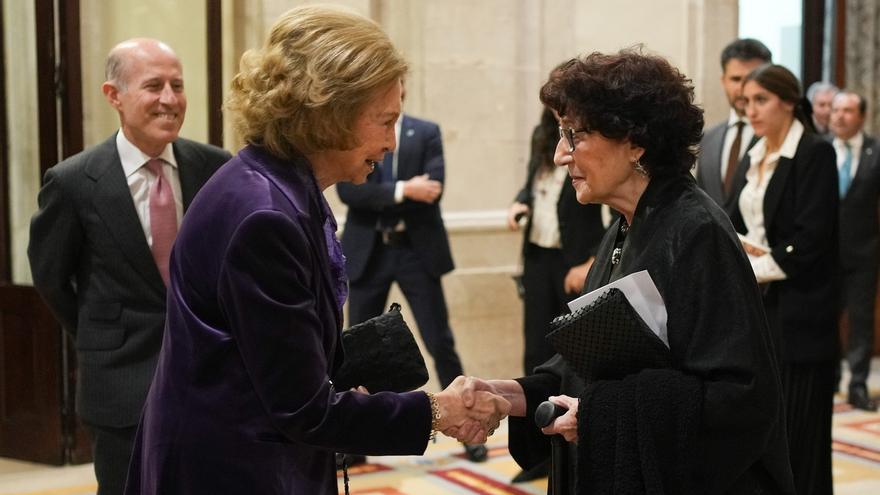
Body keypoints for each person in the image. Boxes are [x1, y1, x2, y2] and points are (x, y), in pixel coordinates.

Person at [122, 7, 509, 495]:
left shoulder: (276, 185)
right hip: (233, 469)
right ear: (329, 114)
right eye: (384, 121)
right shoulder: (265, 216)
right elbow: (301, 409)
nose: (391, 142)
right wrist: (438, 411)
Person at [462, 49, 795, 494]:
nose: (561, 155)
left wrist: (600, 415)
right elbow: (595, 361)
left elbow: (740, 396)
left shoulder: (695, 232)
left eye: (573, 135)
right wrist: (513, 396)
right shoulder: (629, 223)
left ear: (635, 141)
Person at [27, 38, 230, 495]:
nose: (170, 99)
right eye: (153, 86)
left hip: (211, 380)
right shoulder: (74, 181)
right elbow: (52, 278)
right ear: (113, 95)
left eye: (177, 85)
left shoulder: (216, 167)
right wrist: (102, 332)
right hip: (120, 383)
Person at [337, 92, 488, 462]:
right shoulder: (357, 129)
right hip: (369, 251)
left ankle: (470, 429)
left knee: (440, 340)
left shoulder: (425, 132)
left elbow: (433, 188)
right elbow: (350, 191)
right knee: (355, 349)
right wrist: (406, 189)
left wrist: (383, 193)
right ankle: (352, 440)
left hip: (415, 251)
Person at [732, 64, 838, 495]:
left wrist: (752, 264)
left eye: (761, 100)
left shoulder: (814, 153)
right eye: (746, 102)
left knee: (801, 437)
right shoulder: (755, 153)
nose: (751, 110)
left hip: (801, 312)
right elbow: (736, 222)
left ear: (789, 102)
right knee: (767, 433)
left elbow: (812, 239)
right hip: (759, 306)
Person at [507, 106, 605, 377]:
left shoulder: (588, 139)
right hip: (537, 253)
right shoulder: (541, 135)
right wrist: (519, 203)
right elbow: (532, 186)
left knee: (573, 343)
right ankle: (533, 411)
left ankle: (569, 411)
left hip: (573, 257)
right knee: (535, 342)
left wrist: (592, 261)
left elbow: (614, 208)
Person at [830, 91, 879, 411]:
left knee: (860, 321)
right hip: (824, 253)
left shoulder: (876, 151)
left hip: (864, 252)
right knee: (825, 317)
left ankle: (858, 384)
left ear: (861, 116)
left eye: (848, 111)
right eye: (836, 110)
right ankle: (830, 377)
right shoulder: (818, 149)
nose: (840, 116)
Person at [696, 38, 771, 217]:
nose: (743, 88)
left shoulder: (777, 138)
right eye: (736, 79)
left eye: (752, 78)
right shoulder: (708, 138)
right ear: (723, 81)